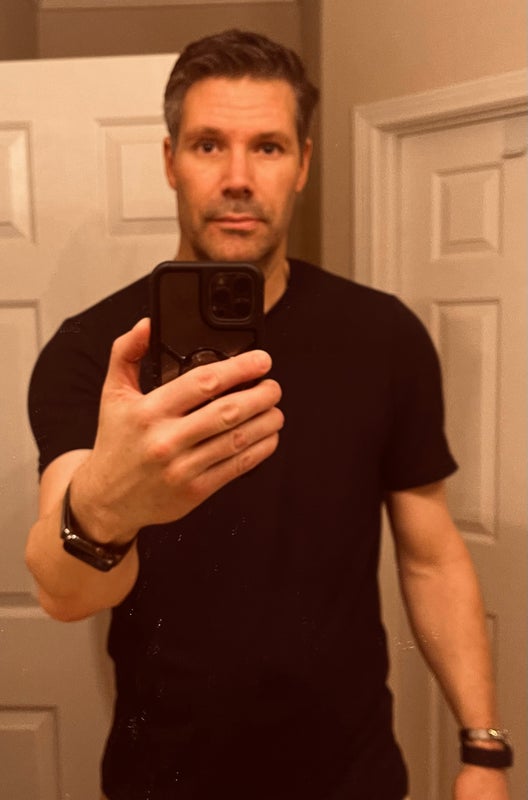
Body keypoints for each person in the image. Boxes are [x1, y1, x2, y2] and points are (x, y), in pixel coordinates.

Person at [26, 29, 513, 800]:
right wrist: (109, 505)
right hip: (166, 779)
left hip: (352, 776)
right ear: (170, 161)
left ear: (304, 164)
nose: (238, 178)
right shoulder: (97, 352)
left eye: (269, 147)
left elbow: (430, 555)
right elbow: (65, 594)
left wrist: (483, 749)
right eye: (208, 145)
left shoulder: (384, 336)